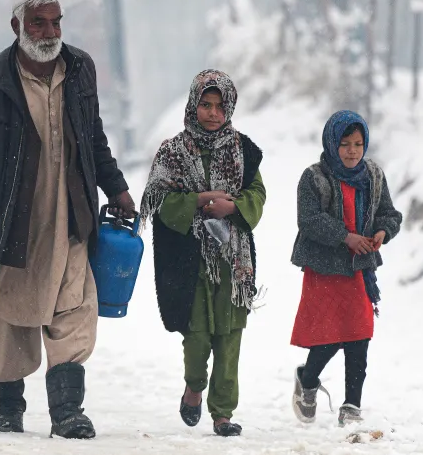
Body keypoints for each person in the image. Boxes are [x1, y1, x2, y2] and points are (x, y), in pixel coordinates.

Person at [0, 0, 135, 439]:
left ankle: (66, 413)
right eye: (38, 22)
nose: (49, 31)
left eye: (55, 21)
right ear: (16, 25)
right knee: (3, 318)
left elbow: (94, 136)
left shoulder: (81, 69)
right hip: (6, 222)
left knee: (73, 308)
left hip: (69, 218)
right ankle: (7, 408)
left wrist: (116, 187)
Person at [141, 70, 266, 437]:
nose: (212, 113)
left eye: (219, 106)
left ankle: (223, 413)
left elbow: (257, 194)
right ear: (193, 104)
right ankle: (194, 386)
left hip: (233, 261)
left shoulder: (246, 151)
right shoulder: (172, 151)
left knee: (230, 337)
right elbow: (157, 198)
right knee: (196, 338)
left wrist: (234, 208)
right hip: (190, 260)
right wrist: (196, 201)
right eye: (205, 105)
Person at [290, 110, 402, 427]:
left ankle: (351, 405)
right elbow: (309, 221)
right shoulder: (314, 178)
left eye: (358, 143)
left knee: (358, 336)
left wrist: (382, 232)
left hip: (359, 270)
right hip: (325, 269)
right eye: (345, 143)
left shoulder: (374, 176)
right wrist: (345, 237)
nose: (352, 151)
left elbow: (389, 214)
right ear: (331, 143)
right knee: (328, 337)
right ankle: (307, 379)